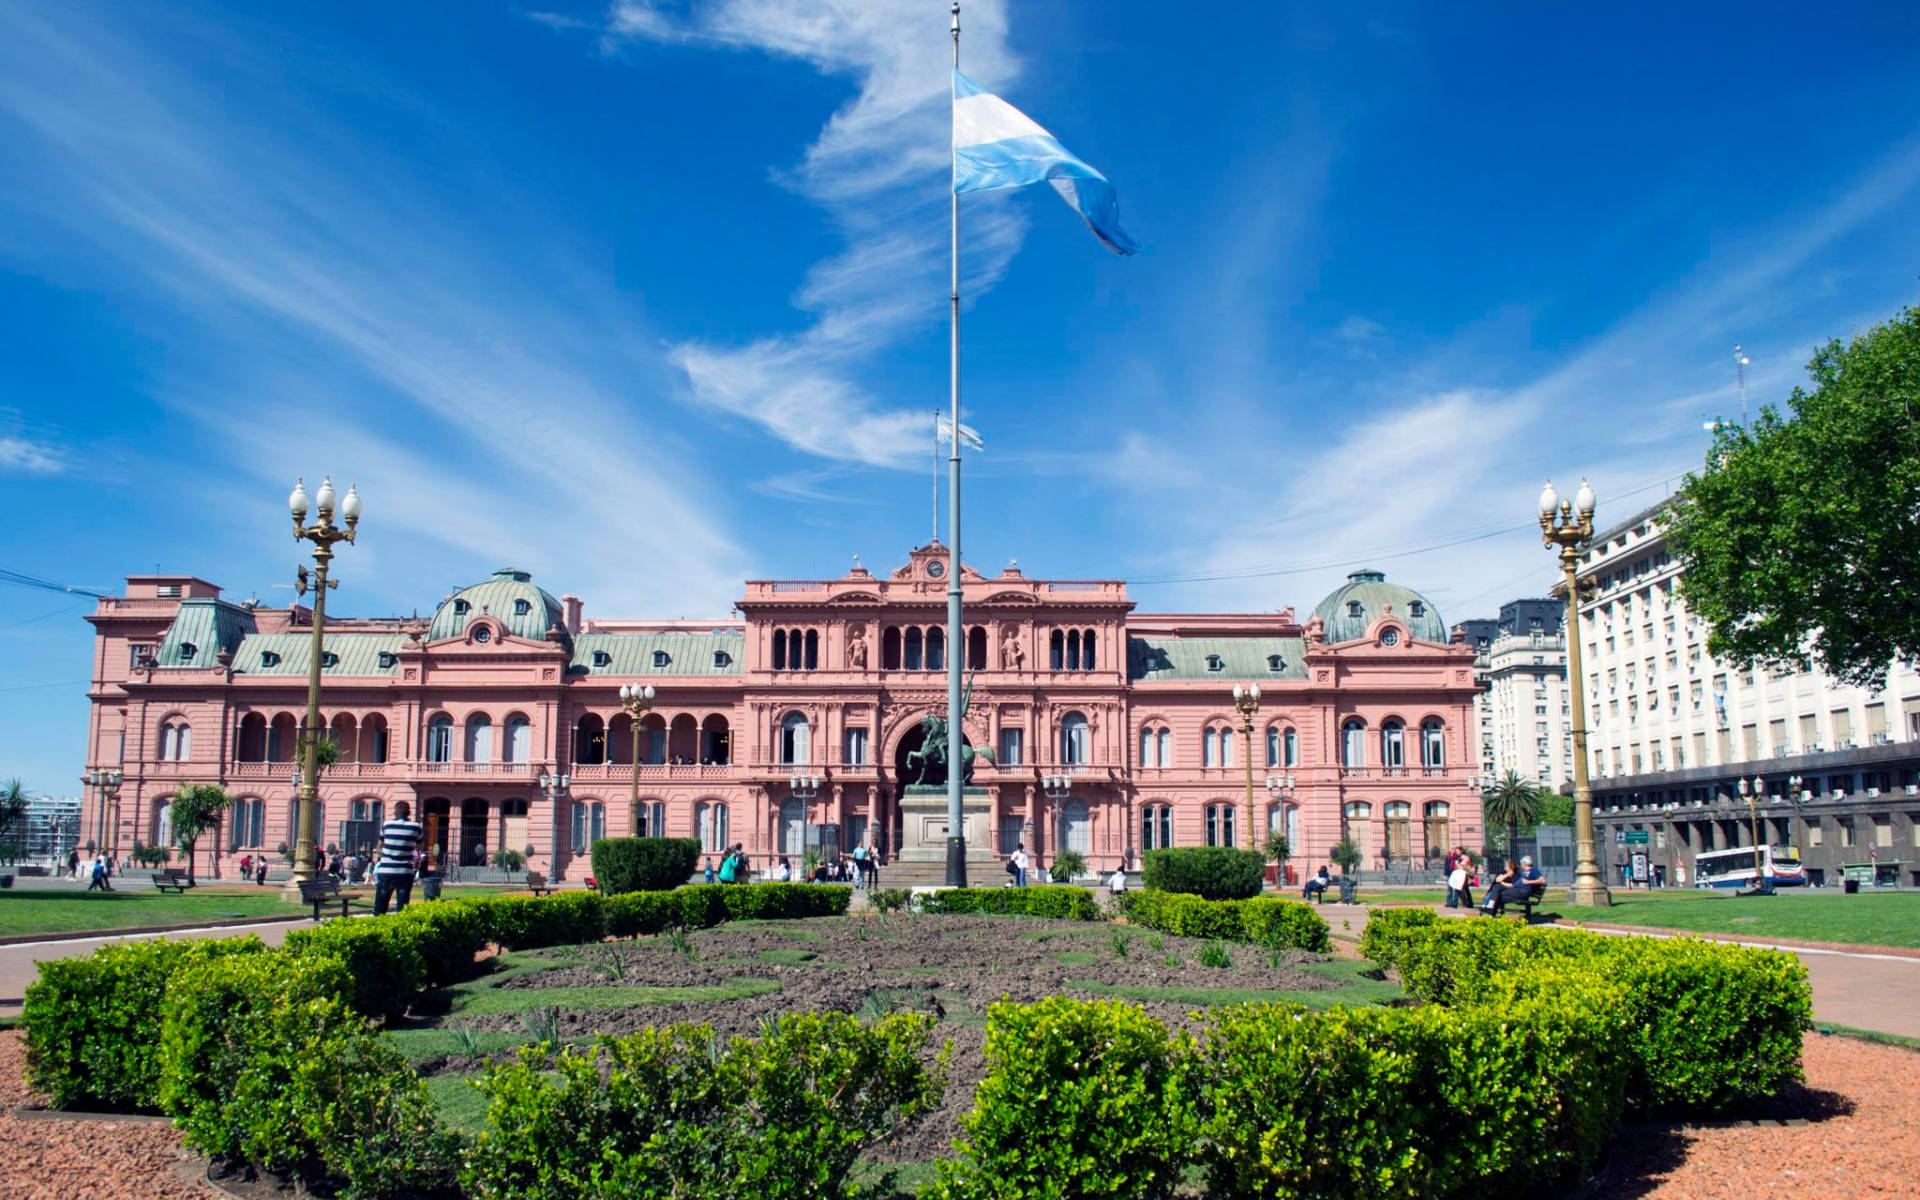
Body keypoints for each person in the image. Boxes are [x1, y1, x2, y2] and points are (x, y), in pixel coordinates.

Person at [373, 800, 425, 916]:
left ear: (395, 812)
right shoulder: (416, 827)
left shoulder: (386, 825)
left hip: (386, 870)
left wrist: (386, 853)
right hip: (405, 870)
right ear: (408, 813)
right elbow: (420, 847)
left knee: (380, 906)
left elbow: (379, 847)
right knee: (402, 906)